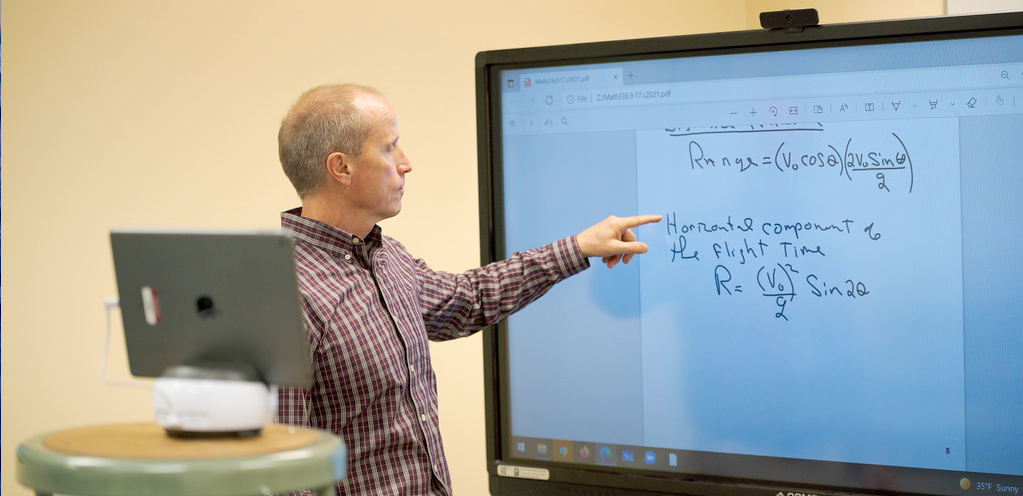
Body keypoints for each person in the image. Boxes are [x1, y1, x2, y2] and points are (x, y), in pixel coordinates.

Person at [274, 83, 661, 495]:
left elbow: (468, 298)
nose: (406, 163)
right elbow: (281, 473)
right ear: (342, 168)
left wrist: (578, 247)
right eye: (389, 148)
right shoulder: (283, 295)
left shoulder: (386, 257)